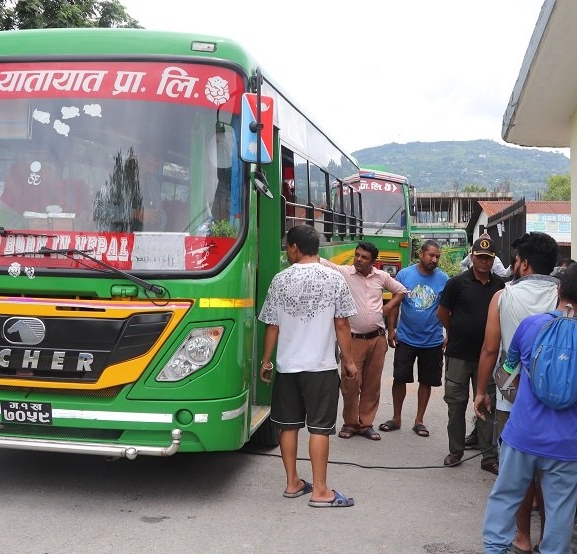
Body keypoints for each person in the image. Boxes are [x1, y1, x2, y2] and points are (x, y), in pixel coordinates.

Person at [258, 224, 357, 508]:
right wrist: (349, 362)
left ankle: (292, 483)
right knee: (319, 429)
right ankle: (321, 491)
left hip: (288, 365)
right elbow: (342, 324)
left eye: (287, 246)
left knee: (288, 427)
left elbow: (272, 326)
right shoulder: (334, 278)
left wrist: (267, 361)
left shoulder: (279, 280)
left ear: (295, 248)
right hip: (321, 366)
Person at [482, 263, 577, 554]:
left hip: (522, 434)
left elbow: (506, 371)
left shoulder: (531, 326)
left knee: (505, 496)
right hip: (567, 444)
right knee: (560, 511)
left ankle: (495, 548)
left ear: (558, 291)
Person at [474, 231, 559, 551]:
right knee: (553, 471)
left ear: (522, 263)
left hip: (513, 399)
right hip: (558, 399)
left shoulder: (503, 296)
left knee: (516, 472)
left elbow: (489, 349)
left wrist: (481, 391)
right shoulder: (564, 298)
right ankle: (549, 539)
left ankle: (521, 537)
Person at [319, 241, 407, 441]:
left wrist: (387, 308)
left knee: (371, 384)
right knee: (351, 383)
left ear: (373, 262)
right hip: (353, 340)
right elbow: (324, 263)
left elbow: (401, 290)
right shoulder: (345, 273)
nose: (359, 259)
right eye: (357, 255)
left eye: (364, 257)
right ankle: (350, 424)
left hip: (377, 339)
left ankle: (366, 424)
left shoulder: (381, 276)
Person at [437, 236, 505, 471]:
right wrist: (454, 332)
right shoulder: (457, 283)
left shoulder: (500, 286)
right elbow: (442, 313)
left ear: (493, 260)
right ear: (473, 257)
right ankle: (455, 451)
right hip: (458, 354)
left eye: (488, 258)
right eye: (480, 257)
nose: (484, 262)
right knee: (455, 403)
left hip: (488, 357)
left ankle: (489, 456)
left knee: (486, 405)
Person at [378, 239, 449, 437]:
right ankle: (396, 418)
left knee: (426, 381)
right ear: (421, 254)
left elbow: (446, 309)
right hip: (406, 337)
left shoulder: (443, 279)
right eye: (431, 255)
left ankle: (419, 421)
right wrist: (391, 329)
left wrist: (448, 333)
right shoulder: (405, 275)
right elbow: (396, 304)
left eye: (437, 256)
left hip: (432, 340)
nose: (434, 259)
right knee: (400, 378)